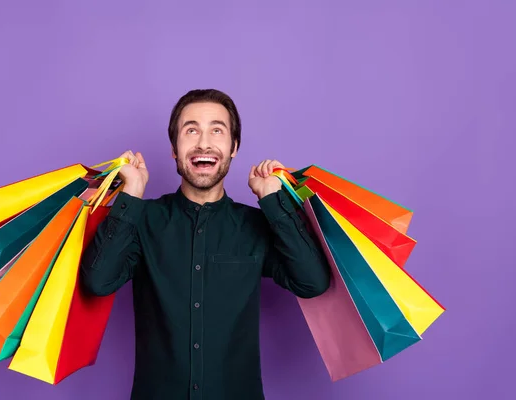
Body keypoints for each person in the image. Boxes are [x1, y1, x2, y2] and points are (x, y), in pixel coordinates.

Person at [79, 89, 331, 400]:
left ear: (233, 147)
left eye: (216, 130)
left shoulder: (256, 225)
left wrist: (273, 201)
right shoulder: (142, 219)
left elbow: (313, 282)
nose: (203, 142)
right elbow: (97, 281)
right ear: (174, 148)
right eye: (191, 130)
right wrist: (130, 195)